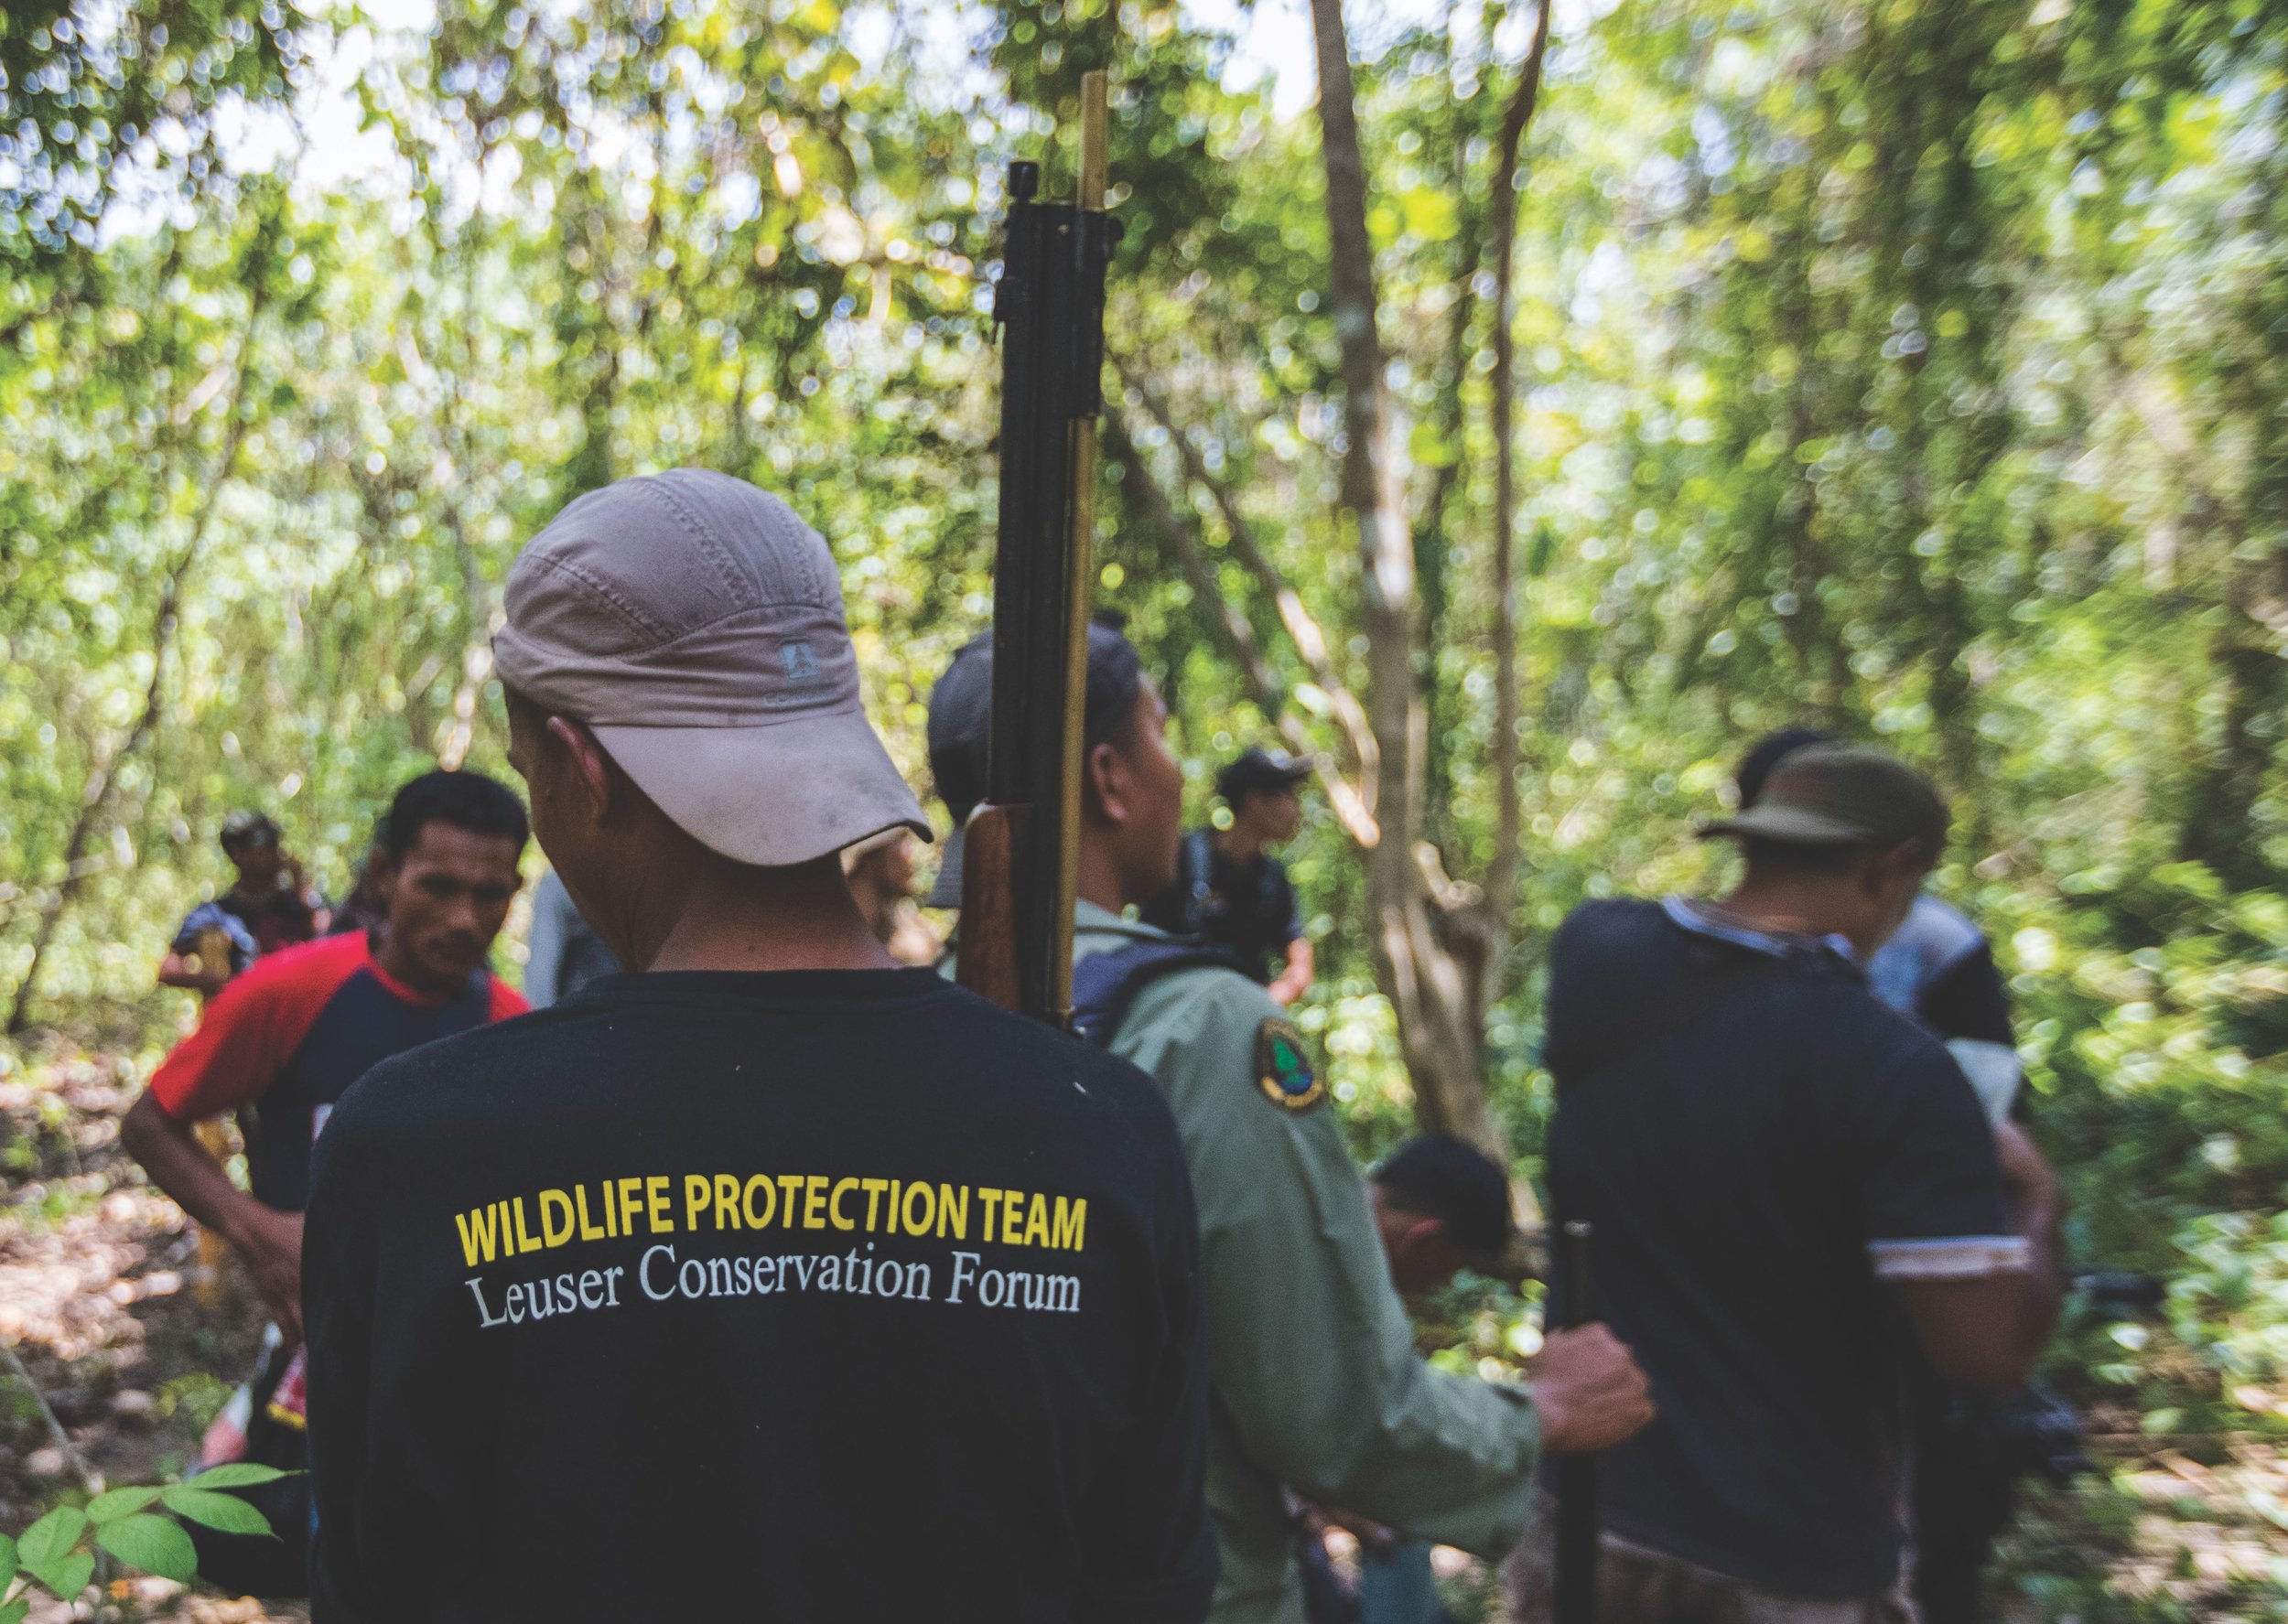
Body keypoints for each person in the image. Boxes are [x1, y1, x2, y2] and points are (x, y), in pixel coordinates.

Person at [302, 469, 1216, 1623]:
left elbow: (376, 1586)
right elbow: (1150, 1582)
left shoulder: (409, 1147)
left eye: (530, 775)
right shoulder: (1106, 1128)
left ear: (582, 768)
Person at [928, 625, 1654, 1624]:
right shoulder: (1206, 1031)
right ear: (1109, 778)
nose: (1178, 771)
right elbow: (1333, 1409)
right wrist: (1543, 1414)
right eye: (1159, 732)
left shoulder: (903, 1010)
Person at [1515, 742, 2063, 1623]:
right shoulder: (1895, 1068)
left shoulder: (1595, 954)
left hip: (1594, 1512)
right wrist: (2036, 1203)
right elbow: (1986, 1356)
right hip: (1792, 1553)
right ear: (1889, 869)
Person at [123, 769, 530, 1592]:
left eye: (489, 894)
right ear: (384, 875)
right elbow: (151, 1123)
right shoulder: (292, 992)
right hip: (316, 1357)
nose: (464, 918)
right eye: (438, 886)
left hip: (451, 1372)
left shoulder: (511, 1029)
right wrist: (259, 1232)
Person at [1738, 728, 2029, 1624]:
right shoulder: (1719, 945)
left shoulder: (1936, 941)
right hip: (1777, 1263)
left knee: (1933, 1461)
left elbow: (1989, 1082)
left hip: (1906, 1252)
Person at [1301, 1135, 1522, 1624]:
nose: (1435, 1288)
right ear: (1425, 1238)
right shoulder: (1309, 1260)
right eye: (1445, 1273)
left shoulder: (1314, 1218)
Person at [1143, 747, 1316, 1005]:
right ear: (1255, 801)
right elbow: (1144, 948)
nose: (1297, 809)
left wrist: (1260, 1003)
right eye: (1288, 796)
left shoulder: (1273, 879)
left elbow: (1300, 965)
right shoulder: (1182, 860)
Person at [158, 811, 327, 998]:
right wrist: (228, 984)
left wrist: (302, 885)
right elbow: (168, 969)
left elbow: (327, 938)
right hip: (243, 1011)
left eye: (276, 844)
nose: (277, 853)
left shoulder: (296, 907)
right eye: (266, 845)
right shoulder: (215, 914)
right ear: (236, 853)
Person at [522, 866, 620, 1006]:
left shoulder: (557, 885)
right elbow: (541, 976)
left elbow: (540, 975)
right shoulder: (558, 887)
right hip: (589, 1009)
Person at [842, 827, 941, 966]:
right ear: (868, 860)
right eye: (901, 839)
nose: (912, 853)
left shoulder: (908, 937)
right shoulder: (832, 938)